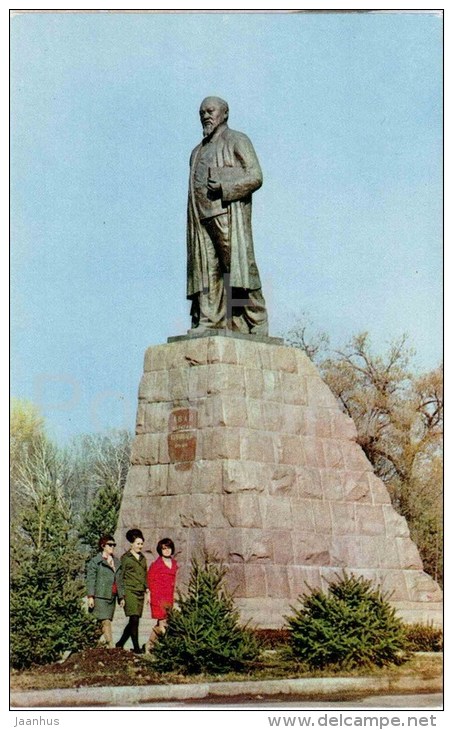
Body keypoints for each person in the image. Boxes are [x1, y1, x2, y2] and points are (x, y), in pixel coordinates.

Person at [187, 96, 268, 335]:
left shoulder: (237, 140)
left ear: (225, 113)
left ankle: (256, 320)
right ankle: (210, 320)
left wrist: (225, 187)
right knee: (207, 271)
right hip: (201, 219)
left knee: (238, 270)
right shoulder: (196, 152)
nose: (205, 115)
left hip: (227, 215)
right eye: (201, 112)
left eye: (210, 110)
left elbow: (256, 176)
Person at [86, 534, 125, 648]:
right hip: (100, 596)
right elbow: (91, 579)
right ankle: (111, 646)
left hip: (111, 597)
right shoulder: (95, 562)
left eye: (114, 545)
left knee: (100, 623)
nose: (112, 547)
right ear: (103, 546)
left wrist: (121, 597)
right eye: (110, 545)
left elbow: (119, 580)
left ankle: (89, 646)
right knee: (105, 621)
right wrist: (90, 596)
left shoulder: (117, 562)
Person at [116, 528, 149, 654]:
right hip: (129, 591)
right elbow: (120, 577)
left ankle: (120, 643)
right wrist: (121, 596)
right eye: (138, 544)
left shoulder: (143, 558)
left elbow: (145, 575)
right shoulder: (125, 558)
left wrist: (147, 589)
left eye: (141, 544)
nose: (140, 546)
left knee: (134, 620)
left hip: (140, 592)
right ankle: (136, 648)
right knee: (134, 618)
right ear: (131, 544)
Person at [145, 537, 179, 652]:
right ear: (160, 550)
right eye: (164, 549)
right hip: (158, 597)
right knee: (162, 622)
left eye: (168, 548)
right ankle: (167, 647)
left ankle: (149, 645)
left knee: (164, 622)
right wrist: (148, 594)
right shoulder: (156, 564)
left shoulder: (174, 563)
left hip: (169, 597)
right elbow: (149, 580)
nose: (167, 550)